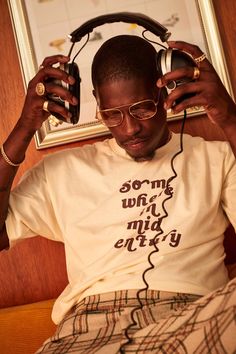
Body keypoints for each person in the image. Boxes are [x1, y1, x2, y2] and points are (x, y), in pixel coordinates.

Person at [0, 33, 236, 353]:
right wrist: (24, 128)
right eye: (112, 114)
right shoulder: (61, 171)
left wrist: (229, 118)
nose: (129, 129)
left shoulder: (218, 158)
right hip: (84, 333)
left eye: (142, 109)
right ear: (96, 101)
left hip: (190, 321)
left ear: (164, 89)